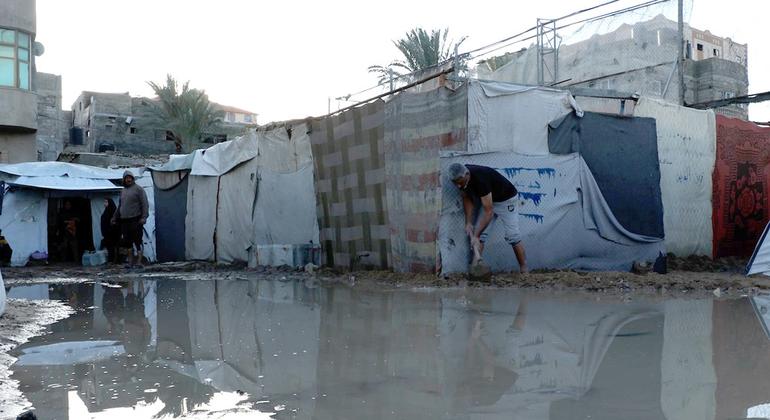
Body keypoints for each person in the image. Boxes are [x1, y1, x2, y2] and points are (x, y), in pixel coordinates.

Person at [448, 163, 528, 273]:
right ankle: (475, 271)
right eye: (456, 183)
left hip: (507, 201)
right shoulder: (462, 178)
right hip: (488, 201)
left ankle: (524, 269)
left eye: (460, 183)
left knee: (513, 236)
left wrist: (476, 236)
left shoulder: (481, 179)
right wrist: (468, 222)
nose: (458, 186)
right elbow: (466, 198)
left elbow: (488, 212)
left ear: (467, 174)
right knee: (481, 237)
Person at [112, 170, 149, 268]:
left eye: (130, 178)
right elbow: (120, 206)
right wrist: (114, 217)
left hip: (136, 219)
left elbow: (144, 203)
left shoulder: (139, 189)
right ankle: (130, 262)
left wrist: (144, 217)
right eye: (126, 178)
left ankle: (139, 262)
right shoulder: (123, 191)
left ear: (132, 179)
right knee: (127, 242)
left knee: (137, 240)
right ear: (124, 179)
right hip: (125, 220)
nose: (128, 180)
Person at [100, 198, 121, 263]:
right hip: (107, 234)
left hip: (114, 233)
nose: (104, 203)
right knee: (109, 248)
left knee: (116, 247)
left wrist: (113, 226)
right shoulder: (105, 212)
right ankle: (111, 260)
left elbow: (118, 222)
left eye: (106, 202)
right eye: (104, 202)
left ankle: (117, 260)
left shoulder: (115, 212)